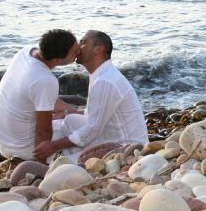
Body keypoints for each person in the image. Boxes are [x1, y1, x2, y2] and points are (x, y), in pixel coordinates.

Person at [32, 30, 148, 163]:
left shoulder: (105, 81)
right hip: (111, 135)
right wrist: (65, 113)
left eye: (83, 42)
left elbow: (93, 128)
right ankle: (76, 157)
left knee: (61, 165)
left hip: (127, 147)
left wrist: (54, 146)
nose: (77, 47)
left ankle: (73, 161)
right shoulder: (101, 73)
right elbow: (94, 114)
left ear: (97, 50)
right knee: (70, 120)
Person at [0, 29, 79, 162]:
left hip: (2, 140)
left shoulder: (26, 52)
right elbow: (44, 130)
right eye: (74, 52)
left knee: (71, 115)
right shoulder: (45, 80)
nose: (78, 52)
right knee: (82, 127)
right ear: (58, 59)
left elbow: (44, 98)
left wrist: (76, 111)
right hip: (22, 148)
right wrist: (40, 164)